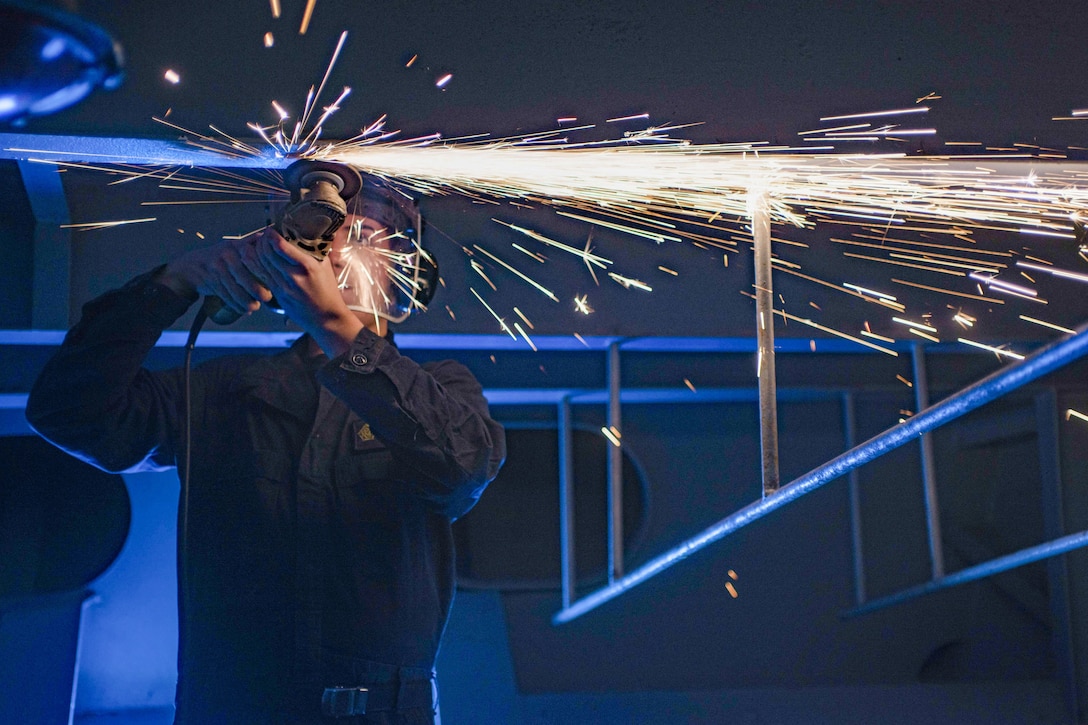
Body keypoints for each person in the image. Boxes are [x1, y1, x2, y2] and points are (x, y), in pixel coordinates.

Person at [25, 185, 506, 724]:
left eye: (365, 236)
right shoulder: (221, 391)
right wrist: (173, 283)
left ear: (406, 276)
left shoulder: (443, 389)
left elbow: (462, 467)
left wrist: (334, 326)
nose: (343, 246)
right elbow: (69, 412)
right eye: (334, 232)